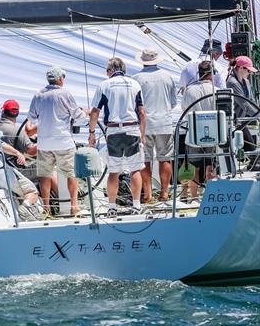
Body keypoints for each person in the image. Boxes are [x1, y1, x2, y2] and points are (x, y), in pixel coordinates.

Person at [88, 57, 146, 216]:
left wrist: (92, 134)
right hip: (132, 129)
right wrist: (143, 134)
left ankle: (112, 208)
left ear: (111, 70)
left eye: (107, 71)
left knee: (113, 172)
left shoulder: (104, 85)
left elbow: (94, 112)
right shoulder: (135, 84)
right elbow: (141, 112)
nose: (106, 73)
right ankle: (136, 206)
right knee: (135, 170)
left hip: (113, 131)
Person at [27, 66, 87, 215]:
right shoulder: (65, 94)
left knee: (45, 176)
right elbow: (78, 116)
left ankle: (46, 208)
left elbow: (31, 118)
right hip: (63, 142)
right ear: (60, 79)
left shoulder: (38, 95)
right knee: (71, 174)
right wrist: (85, 113)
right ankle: (74, 206)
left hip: (44, 143)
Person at [133, 48, 178, 202]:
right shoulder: (168, 77)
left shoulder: (136, 79)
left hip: (144, 126)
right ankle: (164, 193)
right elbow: (173, 102)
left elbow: (135, 105)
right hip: (164, 122)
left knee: (145, 159)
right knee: (165, 158)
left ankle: (148, 194)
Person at [182, 60, 217, 201]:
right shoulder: (216, 90)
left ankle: (194, 198)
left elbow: (184, 109)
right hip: (213, 133)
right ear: (211, 74)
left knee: (194, 167)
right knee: (211, 166)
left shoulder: (189, 90)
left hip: (194, 133)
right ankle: (210, 197)